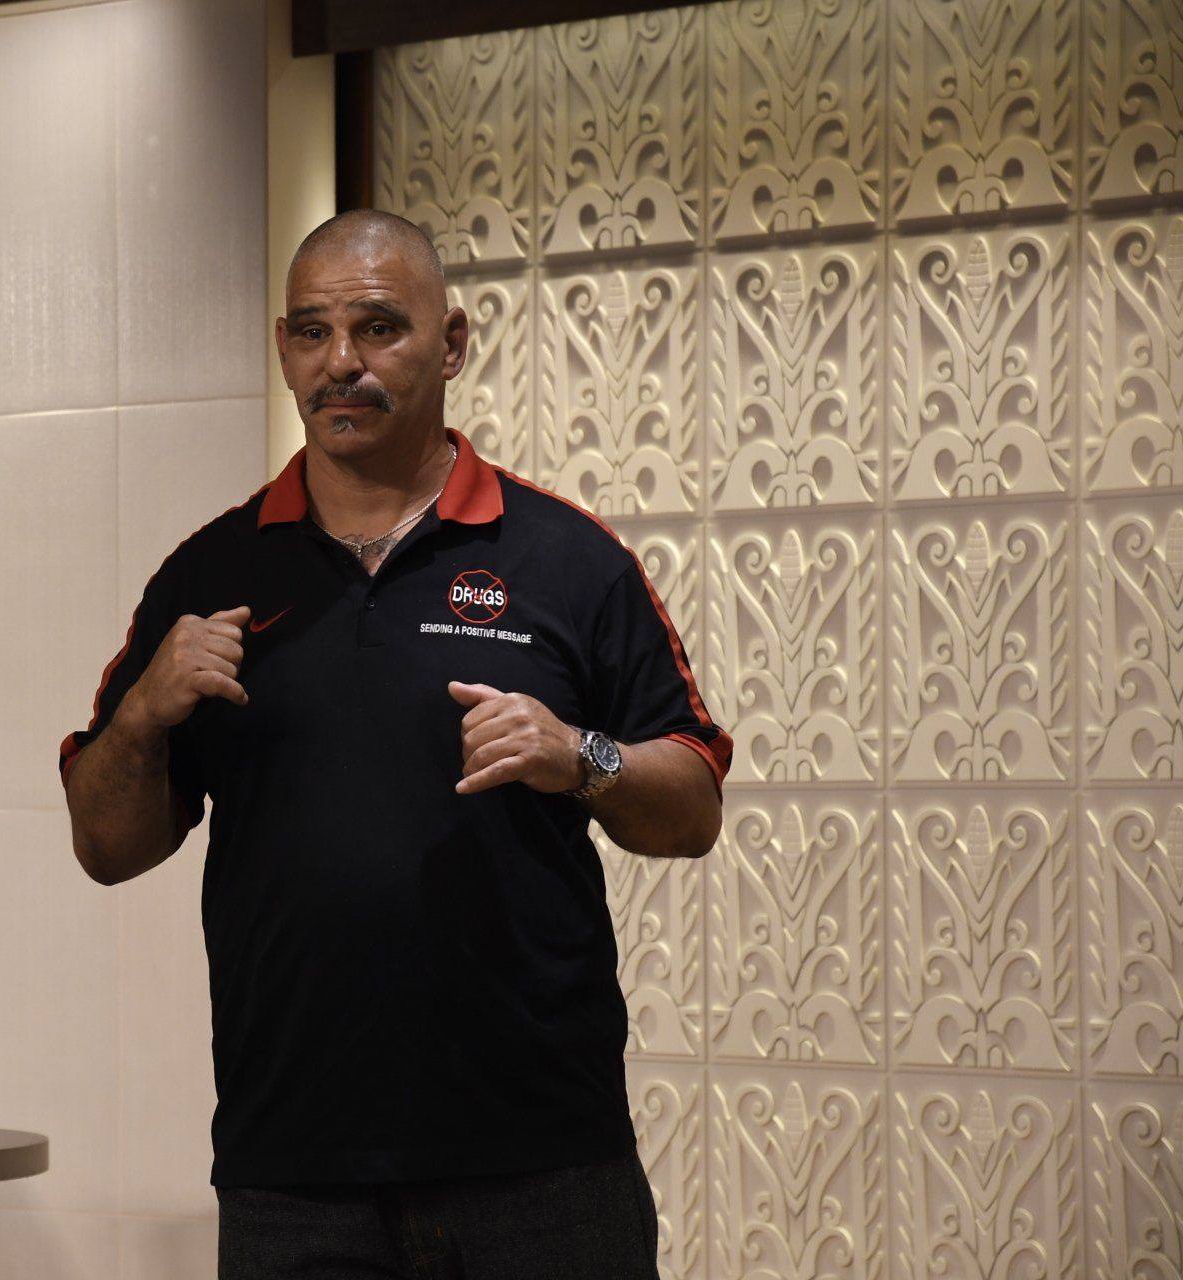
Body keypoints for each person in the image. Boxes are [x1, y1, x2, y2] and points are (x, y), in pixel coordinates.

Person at [60, 210, 731, 1280]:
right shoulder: (209, 574)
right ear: (284, 348)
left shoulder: (566, 559)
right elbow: (107, 843)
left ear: (453, 343)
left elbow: (693, 804)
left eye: (379, 328)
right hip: (294, 1174)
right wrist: (143, 712)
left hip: (544, 1166)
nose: (342, 363)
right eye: (313, 332)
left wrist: (582, 753)